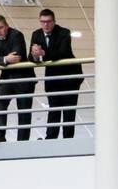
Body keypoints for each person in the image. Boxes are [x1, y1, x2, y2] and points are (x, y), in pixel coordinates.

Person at [30, 9, 82, 139]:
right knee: (54, 108)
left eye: (48, 22)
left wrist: (43, 53)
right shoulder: (36, 34)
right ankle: (51, 138)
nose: (45, 25)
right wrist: (35, 55)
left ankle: (68, 139)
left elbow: (62, 53)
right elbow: (30, 57)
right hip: (53, 76)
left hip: (70, 75)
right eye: (43, 22)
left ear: (54, 22)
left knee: (69, 110)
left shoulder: (64, 32)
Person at [0, 14, 35, 143]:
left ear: (7, 26)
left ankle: (22, 141)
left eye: (1, 27)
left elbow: (17, 56)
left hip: (24, 77)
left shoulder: (16, 34)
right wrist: (5, 59)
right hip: (7, 77)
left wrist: (1, 59)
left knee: (23, 110)